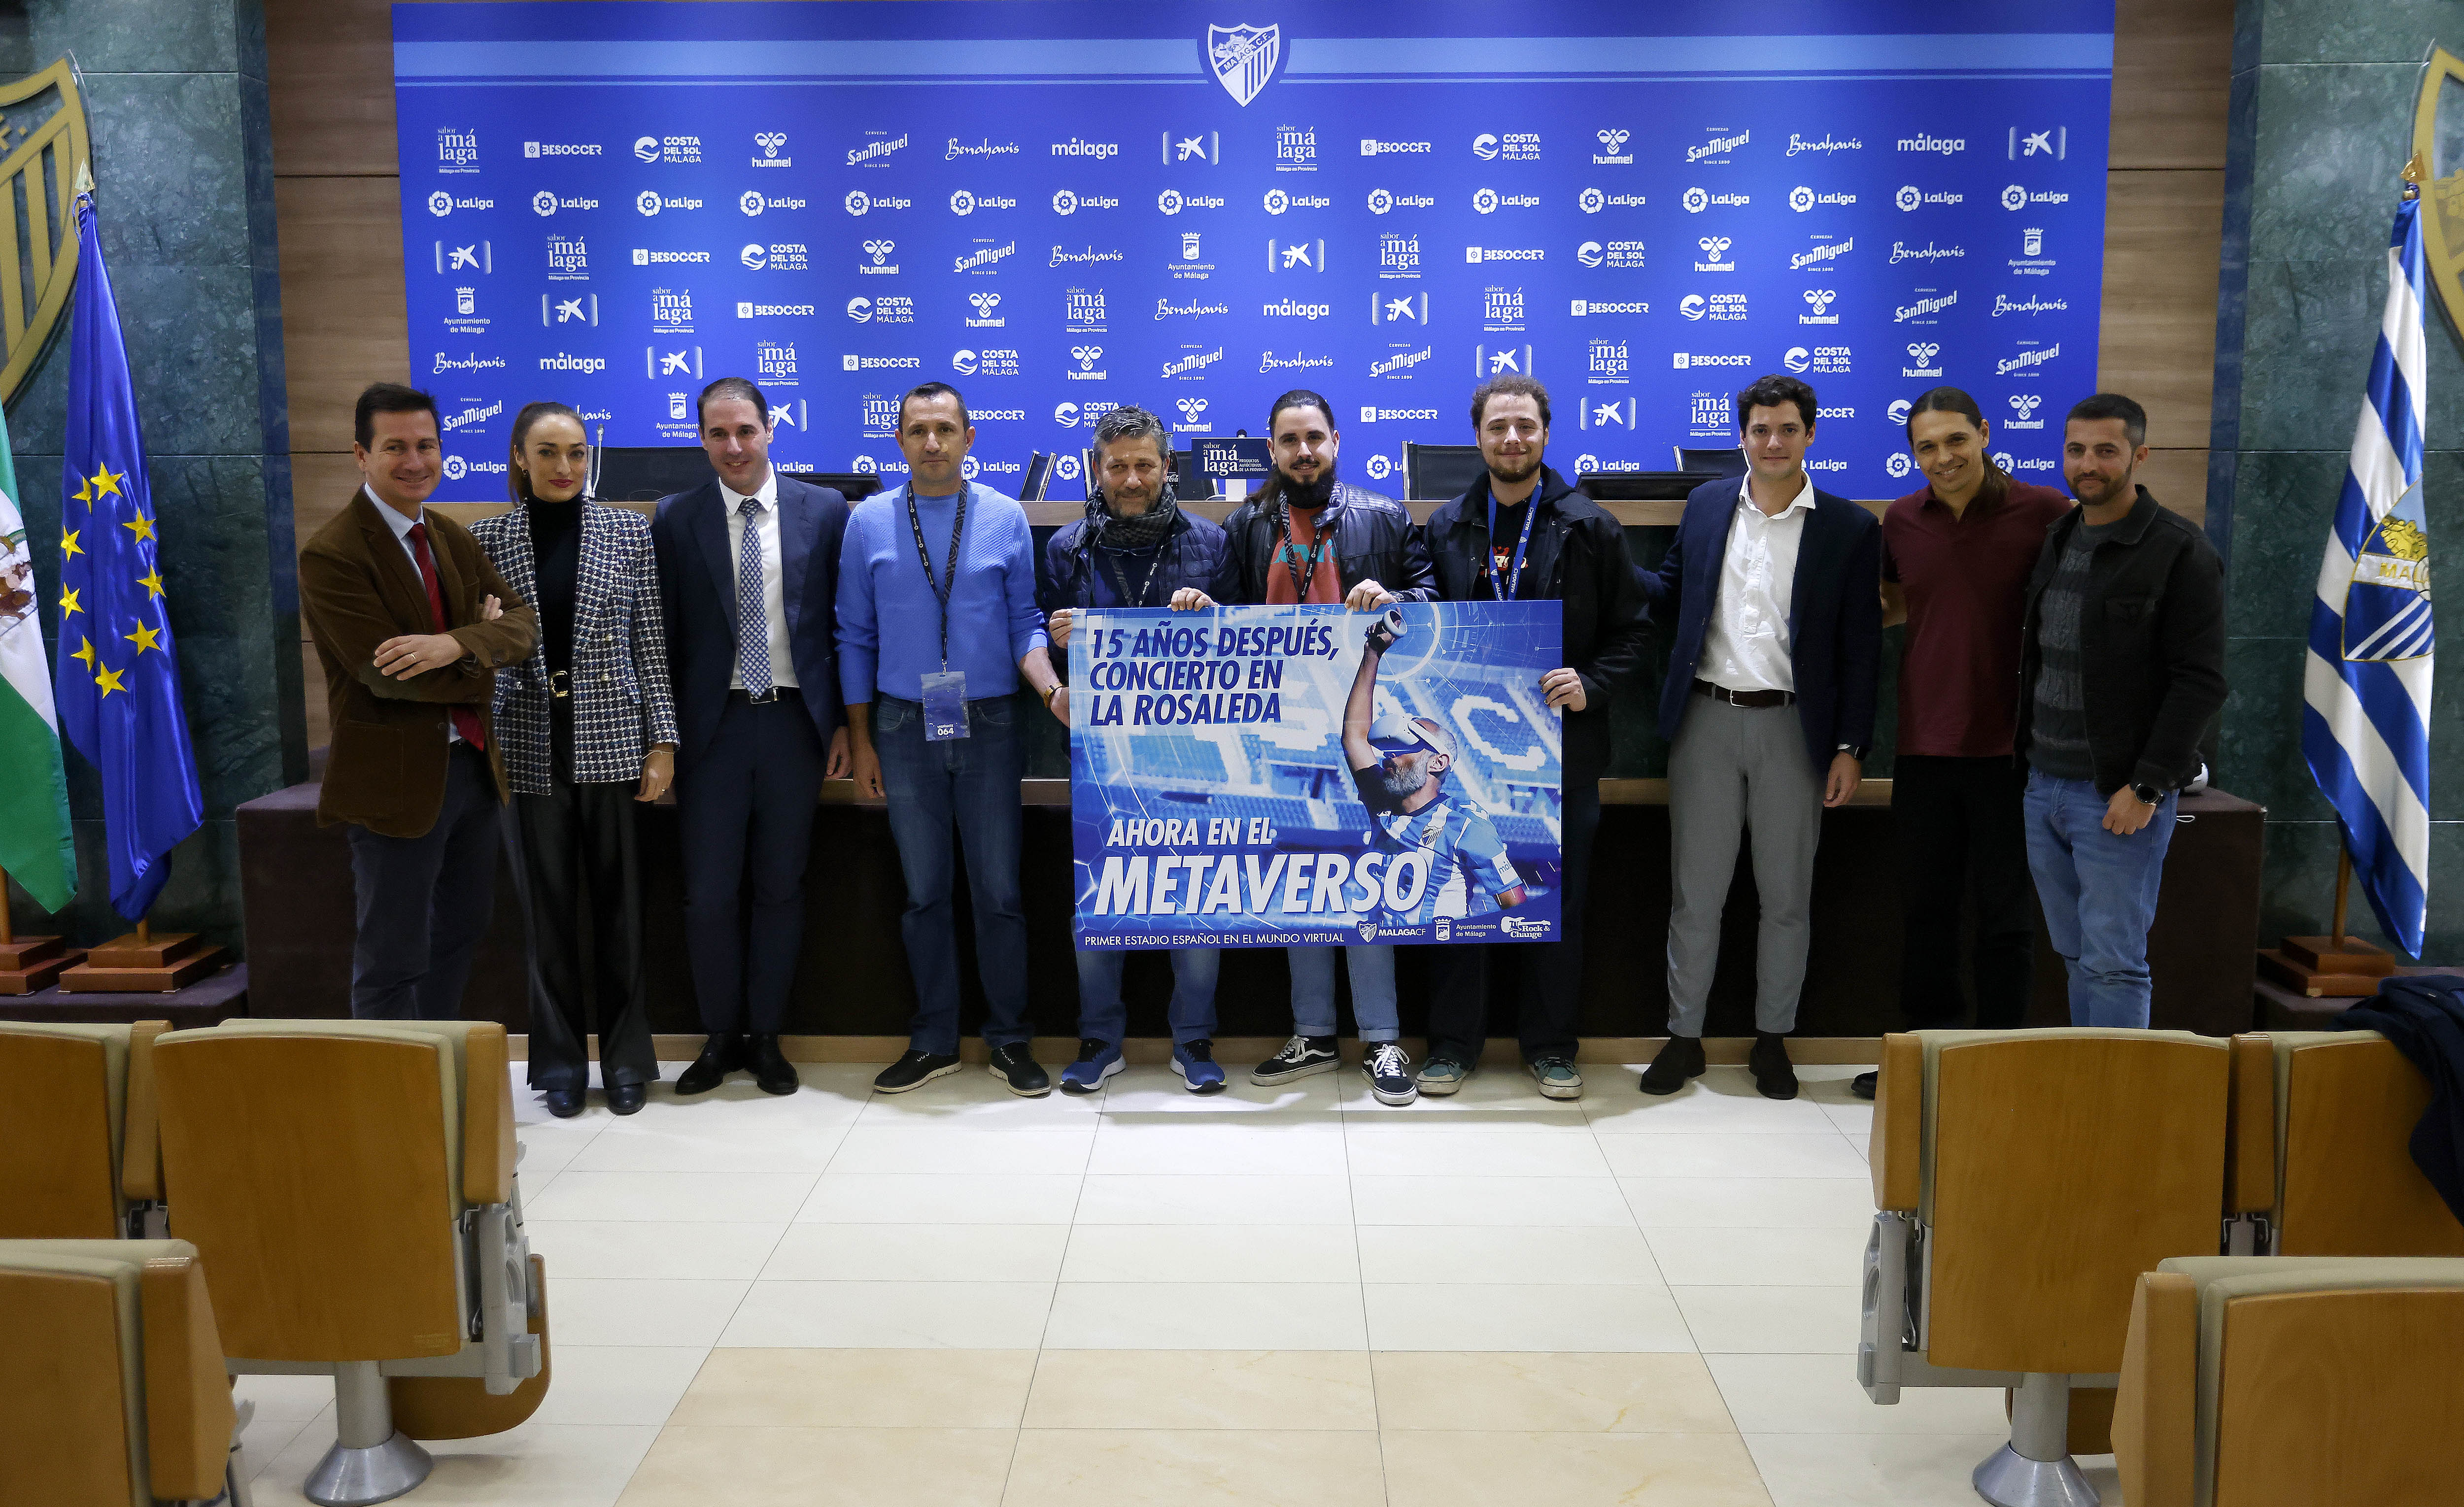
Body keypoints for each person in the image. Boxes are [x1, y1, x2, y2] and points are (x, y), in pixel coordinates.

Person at [1173, 387, 1433, 1104]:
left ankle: (1381, 1039)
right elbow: (1229, 620)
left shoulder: (1383, 515)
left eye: (1315, 438)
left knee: (1370, 872)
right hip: (1277, 723)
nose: (1304, 452)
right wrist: (1206, 610)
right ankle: (1314, 1033)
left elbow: (1434, 596)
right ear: (1272, 450)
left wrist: (1396, 602)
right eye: (1289, 441)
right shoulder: (1246, 524)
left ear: (1336, 442)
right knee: (1303, 871)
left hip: (1364, 721)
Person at [1637, 373, 1880, 1100]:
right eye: (1760, 430)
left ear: (1810, 435)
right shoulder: (1707, 504)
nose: (1773, 442)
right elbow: (1670, 592)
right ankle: (1684, 1037)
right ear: (1741, 437)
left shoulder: (1849, 527)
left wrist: (1851, 746)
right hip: (1705, 720)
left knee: (1787, 898)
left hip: (1796, 729)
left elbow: (1861, 649)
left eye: (1787, 430)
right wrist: (1607, 562)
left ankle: (1773, 1041)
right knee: (1696, 895)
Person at [1417, 374, 1651, 1102]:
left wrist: (1592, 683)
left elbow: (1635, 632)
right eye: (1498, 427)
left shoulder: (1591, 526)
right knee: (1461, 894)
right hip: (1464, 757)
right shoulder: (1447, 526)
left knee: (1556, 904)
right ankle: (1452, 1047)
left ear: (1546, 433)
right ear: (1478, 437)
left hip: (1562, 754)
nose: (1512, 439)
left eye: (1525, 426)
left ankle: (1551, 1048)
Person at [1848, 390, 2074, 1100]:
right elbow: (1896, 604)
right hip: (1924, 748)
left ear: (1984, 433)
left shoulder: (2046, 511)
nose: (1943, 458)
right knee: (1927, 915)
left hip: (2014, 751)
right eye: (1927, 447)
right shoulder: (1901, 519)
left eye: (1955, 440)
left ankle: (1998, 1069)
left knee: (2006, 919)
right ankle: (1927, 1068)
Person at [842, 382, 1063, 1096]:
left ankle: (1009, 1040)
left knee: (999, 892)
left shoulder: (1003, 516)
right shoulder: (868, 522)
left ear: (970, 438)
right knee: (924, 893)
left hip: (992, 722)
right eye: (917, 430)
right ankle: (933, 1039)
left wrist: (1050, 690)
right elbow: (854, 635)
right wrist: (862, 739)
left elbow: (1025, 621)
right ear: (899, 441)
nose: (932, 442)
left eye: (945, 429)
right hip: (903, 726)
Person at [298, 382, 537, 1020]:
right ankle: (392, 1081)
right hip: (393, 784)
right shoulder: (333, 553)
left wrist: (453, 643)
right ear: (361, 455)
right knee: (392, 954)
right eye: (395, 447)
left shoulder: (451, 537)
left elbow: (523, 626)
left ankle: (437, 1062)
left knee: (463, 928)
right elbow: (388, 675)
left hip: (473, 772)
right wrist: (480, 653)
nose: (415, 461)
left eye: (426, 445)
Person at [468, 402, 677, 1118]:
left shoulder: (626, 531)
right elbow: (476, 656)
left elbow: (650, 642)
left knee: (622, 912)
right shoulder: (485, 540)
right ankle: (558, 1064)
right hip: (527, 737)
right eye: (549, 452)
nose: (565, 467)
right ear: (519, 457)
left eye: (578, 452)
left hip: (612, 735)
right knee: (546, 913)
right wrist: (483, 642)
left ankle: (626, 1060)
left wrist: (662, 742)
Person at [651, 377, 850, 1097]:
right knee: (708, 894)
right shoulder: (676, 517)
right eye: (718, 433)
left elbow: (844, 626)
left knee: (780, 887)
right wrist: (662, 737)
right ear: (702, 439)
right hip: (713, 731)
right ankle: (719, 1038)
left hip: (796, 726)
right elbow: (662, 635)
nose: (733, 446)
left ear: (770, 430)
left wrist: (843, 724)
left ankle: (767, 1038)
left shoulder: (824, 510)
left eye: (745, 430)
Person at [1041, 404, 1239, 1095]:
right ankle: (1100, 1040)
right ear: (1097, 469)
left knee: (1198, 895)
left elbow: (1249, 645)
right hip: (1099, 756)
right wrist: (1060, 643)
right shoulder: (1066, 548)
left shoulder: (1210, 544)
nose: (1131, 479)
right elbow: (1045, 649)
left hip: (1194, 751)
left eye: (1144, 465)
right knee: (1098, 897)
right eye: (1118, 466)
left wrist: (1214, 620)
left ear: (1167, 468)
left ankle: (1194, 1040)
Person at [2016, 393, 2225, 1029]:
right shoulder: (2060, 537)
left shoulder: (2179, 550)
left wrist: (2148, 786)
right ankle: (2093, 1079)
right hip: (2044, 786)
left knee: (2114, 963)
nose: (2089, 464)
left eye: (2106, 450)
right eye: (2076, 450)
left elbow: (2201, 681)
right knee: (2075, 955)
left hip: (2118, 796)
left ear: (2140, 455)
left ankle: (2122, 1092)